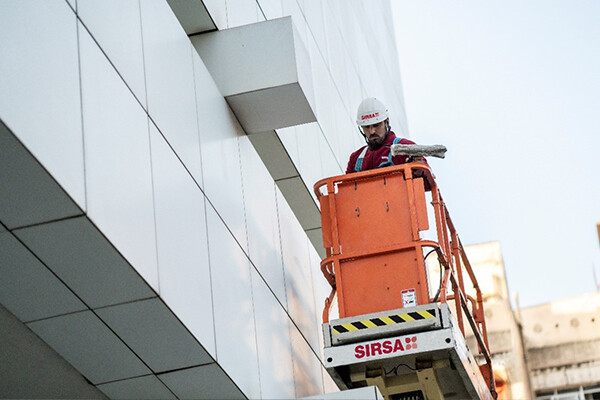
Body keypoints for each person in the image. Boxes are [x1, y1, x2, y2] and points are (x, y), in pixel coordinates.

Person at [346, 97, 423, 174]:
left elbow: (428, 183)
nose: (372, 131)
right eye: (367, 127)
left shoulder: (406, 147)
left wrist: (419, 172)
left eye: (376, 125)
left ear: (386, 122)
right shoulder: (355, 158)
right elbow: (346, 186)